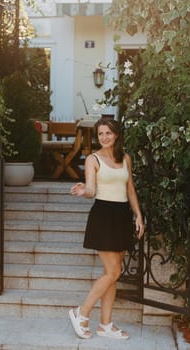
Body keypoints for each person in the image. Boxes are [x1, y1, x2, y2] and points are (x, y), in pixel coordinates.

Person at [69, 117, 144, 340]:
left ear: (116, 135)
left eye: (108, 133)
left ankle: (105, 325)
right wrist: (84, 191)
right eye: (100, 134)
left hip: (122, 216)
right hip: (103, 216)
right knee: (114, 272)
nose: (104, 137)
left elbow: (130, 189)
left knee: (111, 274)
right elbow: (92, 189)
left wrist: (138, 215)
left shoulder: (126, 159)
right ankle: (81, 313)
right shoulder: (93, 159)